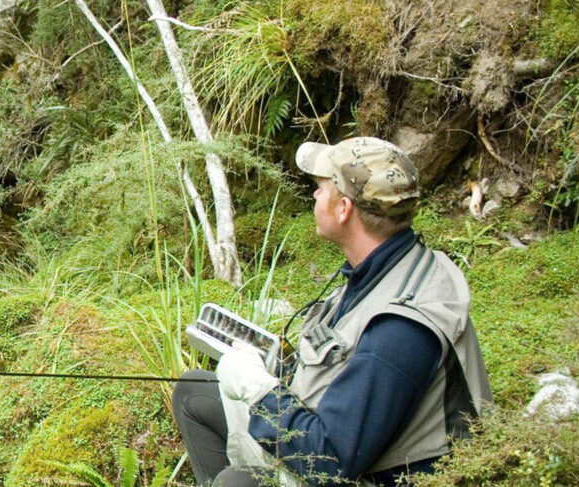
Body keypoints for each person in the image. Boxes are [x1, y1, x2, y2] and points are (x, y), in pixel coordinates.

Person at [171, 137, 493, 486]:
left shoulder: (399, 329)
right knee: (192, 393)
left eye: (321, 187)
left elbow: (329, 462)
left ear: (343, 209)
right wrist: (275, 365)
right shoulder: (388, 268)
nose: (314, 195)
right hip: (339, 440)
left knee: (237, 482)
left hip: (366, 473)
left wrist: (256, 387)